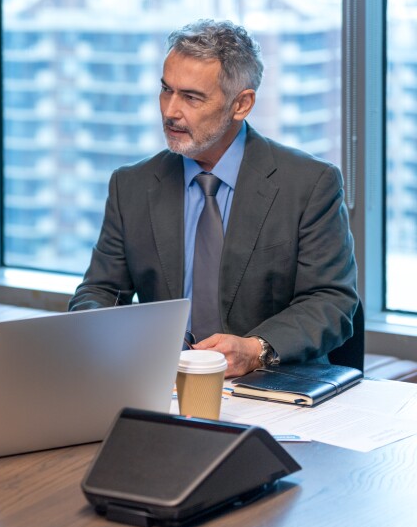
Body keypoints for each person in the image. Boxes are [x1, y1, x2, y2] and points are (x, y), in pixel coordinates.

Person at [69, 19, 358, 377]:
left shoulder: (310, 184)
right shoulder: (131, 185)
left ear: (241, 104)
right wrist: (100, 334)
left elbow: (331, 302)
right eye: (166, 90)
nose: (170, 110)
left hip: (270, 386)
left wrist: (255, 350)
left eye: (191, 97)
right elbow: (101, 289)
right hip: (162, 384)